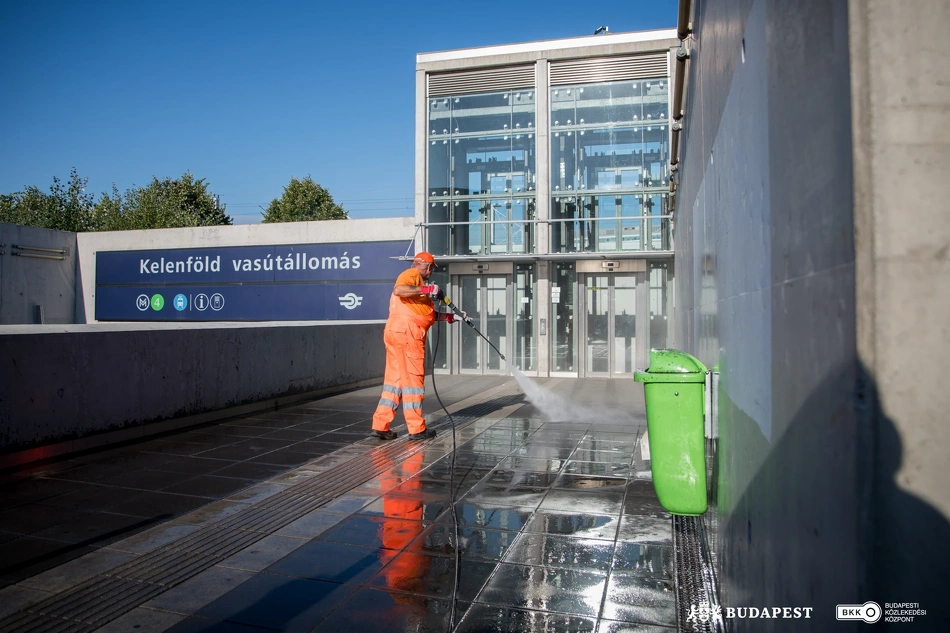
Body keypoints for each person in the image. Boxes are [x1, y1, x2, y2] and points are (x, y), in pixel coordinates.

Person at [371, 252, 463, 440]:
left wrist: (450, 316)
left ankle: (381, 424)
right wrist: (429, 290)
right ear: (426, 266)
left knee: (394, 382)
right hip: (408, 334)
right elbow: (399, 290)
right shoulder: (412, 275)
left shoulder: (420, 290)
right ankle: (416, 429)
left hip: (397, 332)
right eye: (431, 268)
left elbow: (426, 314)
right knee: (413, 382)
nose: (431, 272)